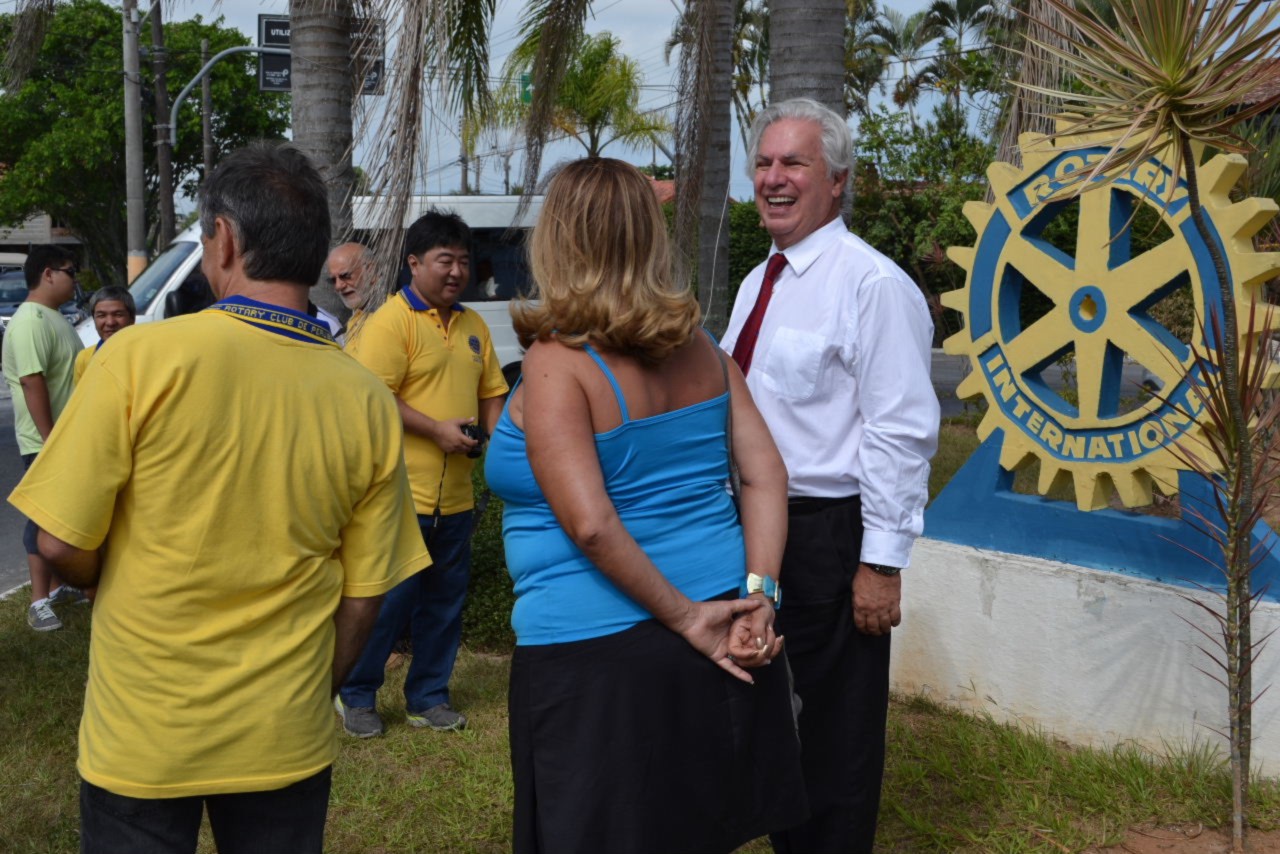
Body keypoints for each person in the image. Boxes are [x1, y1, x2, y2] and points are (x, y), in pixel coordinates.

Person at [8, 143, 429, 854]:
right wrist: (312, 691)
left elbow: (59, 542)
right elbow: (366, 596)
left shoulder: (137, 359)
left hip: (144, 734)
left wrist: (97, 576)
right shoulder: (363, 395)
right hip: (284, 736)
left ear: (225, 239)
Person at [485, 157, 808, 854]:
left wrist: (689, 619)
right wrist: (760, 596)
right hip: (720, 618)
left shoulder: (555, 362)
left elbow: (591, 525)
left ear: (557, 240)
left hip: (598, 651)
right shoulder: (705, 351)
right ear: (649, 236)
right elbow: (765, 477)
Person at [721, 98, 941, 854]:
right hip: (756, 531)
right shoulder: (758, 283)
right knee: (772, 723)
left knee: (835, 736)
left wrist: (880, 564)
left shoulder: (871, 285)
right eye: (763, 163)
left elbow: (900, 431)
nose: (773, 178)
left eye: (795, 163)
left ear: (838, 180)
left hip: (826, 536)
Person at [335, 209, 508, 737]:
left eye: (463, 262)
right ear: (414, 263)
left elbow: (492, 392)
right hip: (400, 494)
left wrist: (501, 452)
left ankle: (428, 697)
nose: (457, 272)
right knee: (388, 603)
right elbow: (373, 398)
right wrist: (435, 430)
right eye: (444, 260)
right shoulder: (391, 322)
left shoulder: (474, 325)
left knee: (444, 605)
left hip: (455, 495)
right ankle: (357, 695)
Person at [3, 245, 84, 631]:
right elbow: (31, 381)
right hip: (45, 443)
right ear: (48, 274)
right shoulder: (31, 321)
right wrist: (51, 440)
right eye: (71, 272)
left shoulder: (53, 317)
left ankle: (56, 588)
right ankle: (38, 602)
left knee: (62, 517)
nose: (75, 280)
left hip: (64, 440)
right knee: (43, 519)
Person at [74, 286, 136, 384]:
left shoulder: (145, 354)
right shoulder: (84, 359)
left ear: (132, 318)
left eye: (118, 314)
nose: (110, 322)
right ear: (94, 319)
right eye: (101, 315)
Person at [325, 242, 376, 347]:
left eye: (345, 276)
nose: (338, 286)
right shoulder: (350, 325)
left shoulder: (394, 317)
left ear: (370, 270)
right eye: (333, 280)